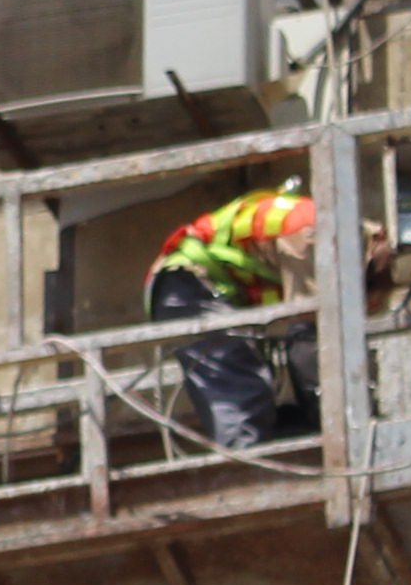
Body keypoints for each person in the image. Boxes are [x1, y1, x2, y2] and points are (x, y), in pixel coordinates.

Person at [147, 172, 392, 450]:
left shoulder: (345, 234)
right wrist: (339, 415)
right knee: (241, 392)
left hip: (211, 285)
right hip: (186, 284)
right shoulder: (316, 239)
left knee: (265, 391)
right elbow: (312, 339)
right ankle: (248, 473)